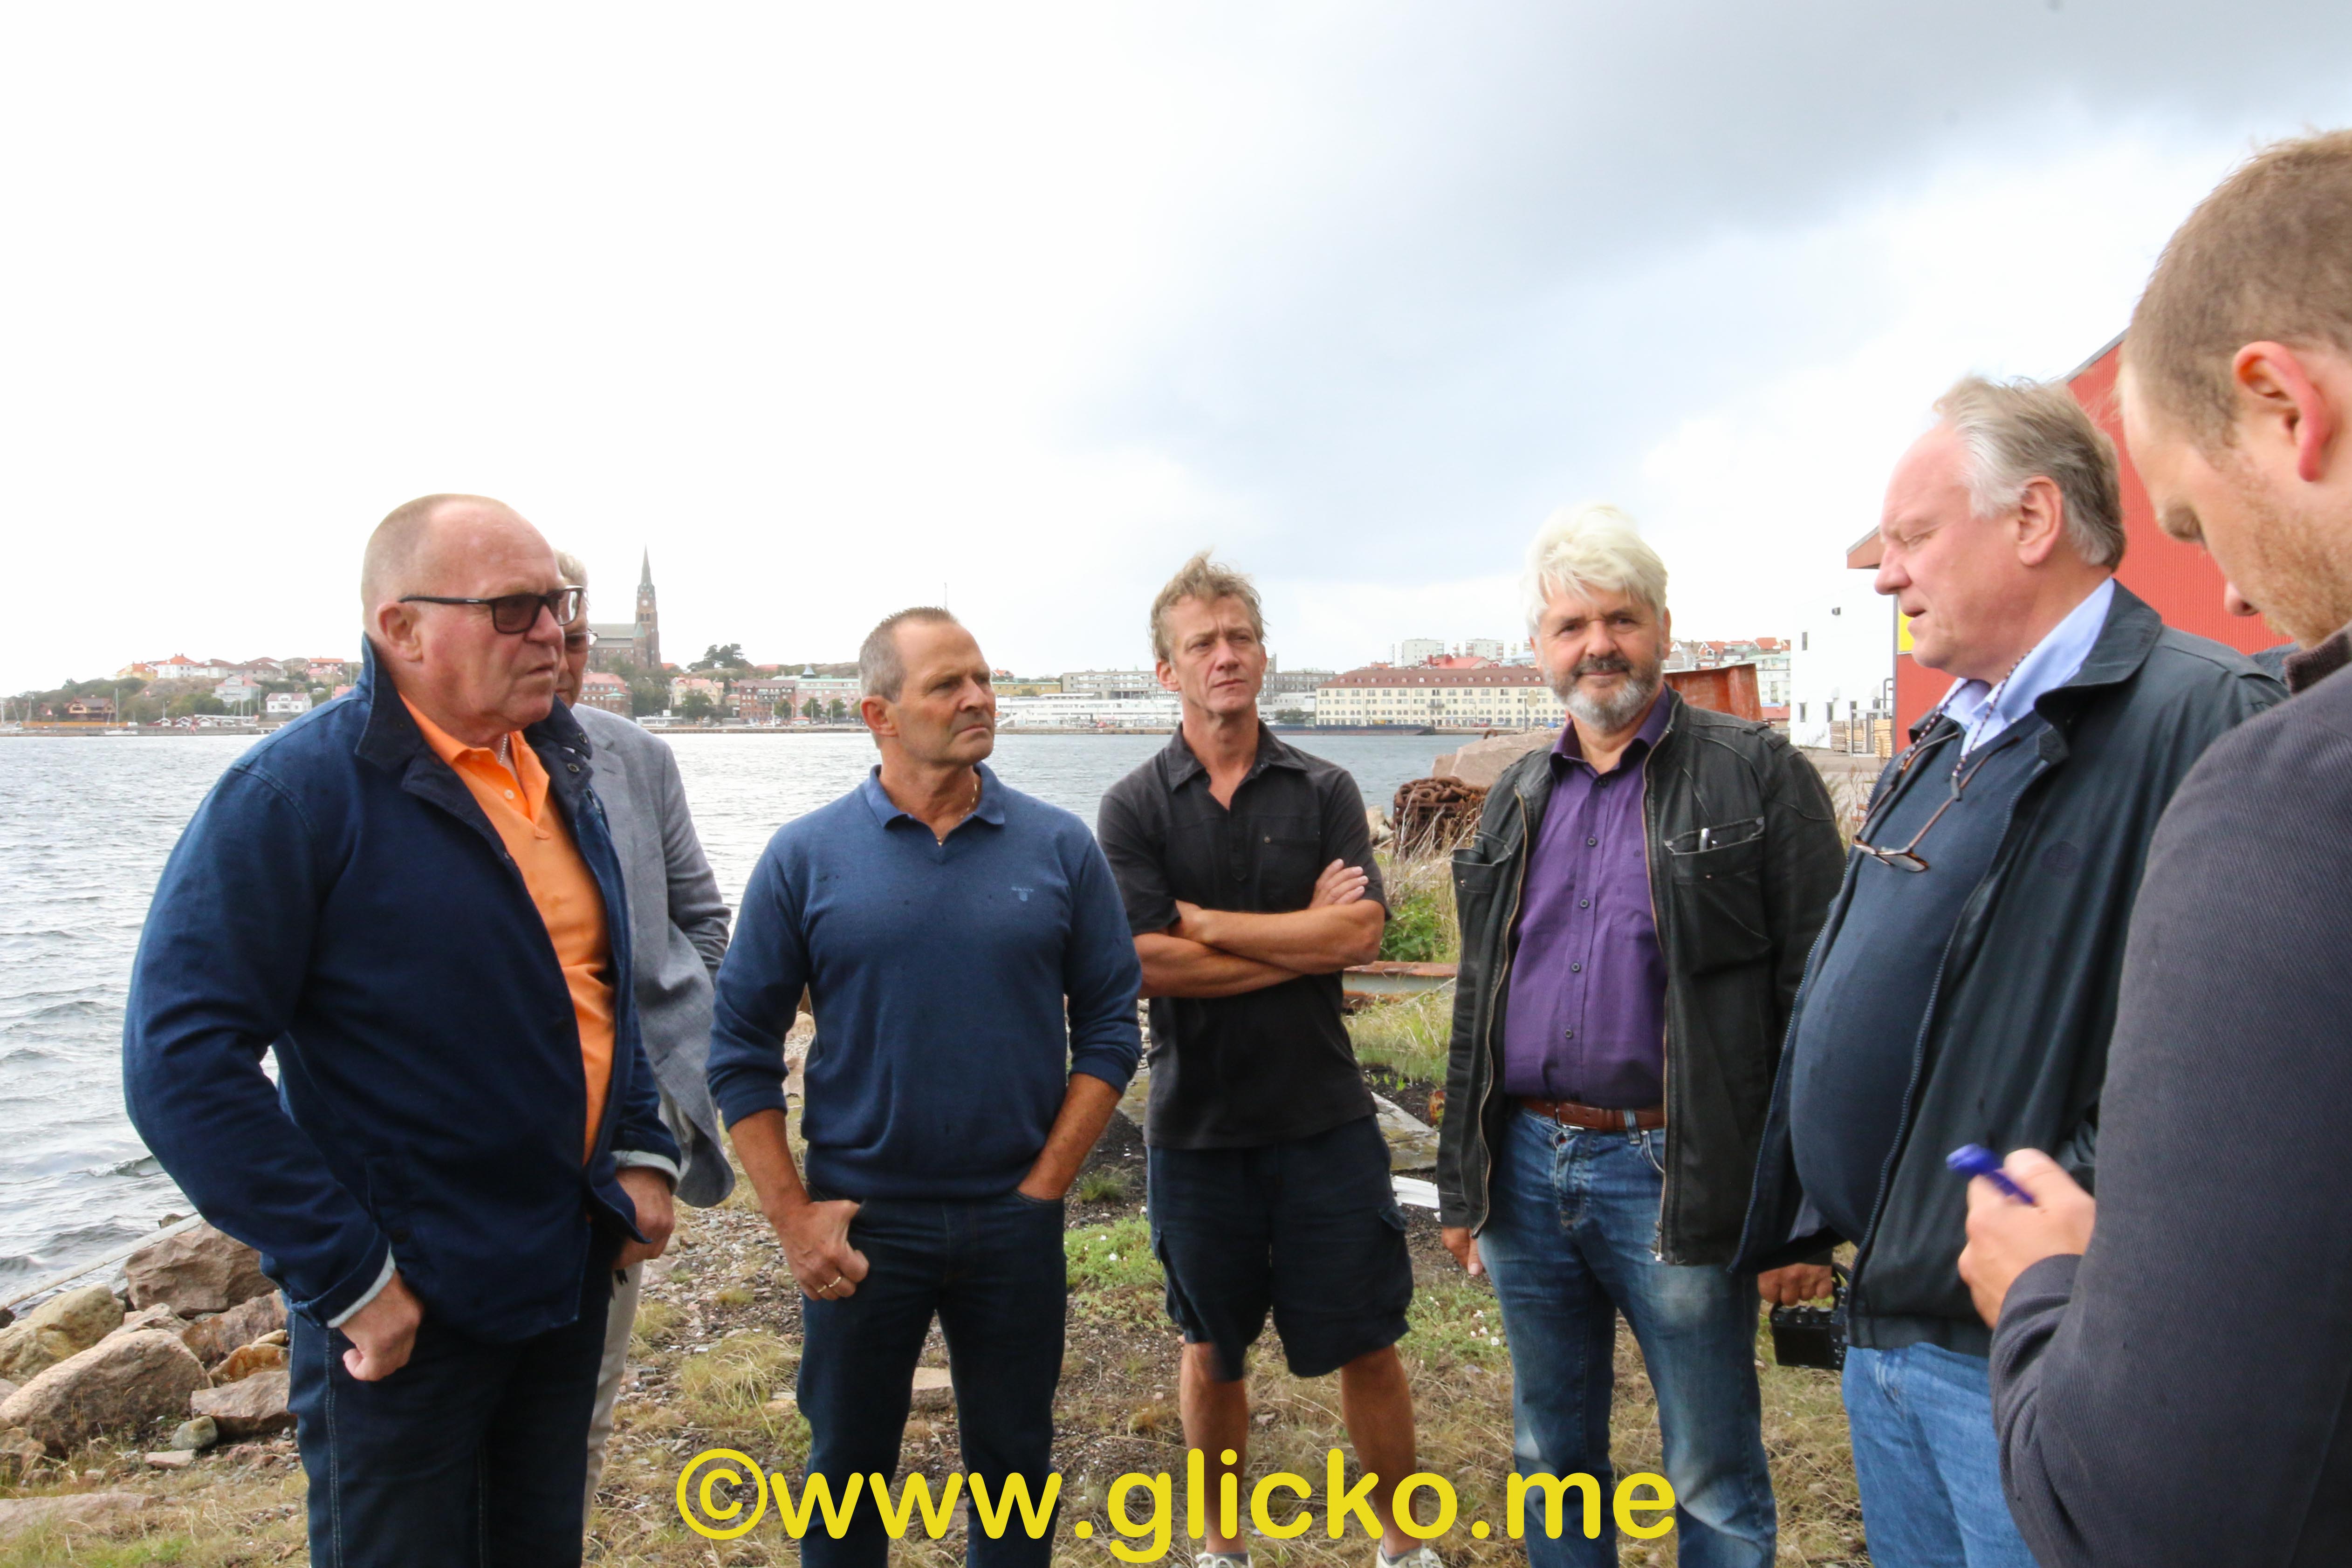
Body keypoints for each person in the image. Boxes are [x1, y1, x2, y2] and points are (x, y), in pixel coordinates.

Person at [1737, 381, 2281, 1568]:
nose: (1885, 577)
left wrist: (2043, 1229)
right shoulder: (1951, 732)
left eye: (1912, 538)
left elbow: (2234, 1061)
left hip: (2029, 1341)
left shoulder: (2204, 716)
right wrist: (1803, 1208)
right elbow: (1852, 980)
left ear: (2032, 520)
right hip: (1889, 1320)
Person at [122, 495, 680, 1568]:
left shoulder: (554, 769)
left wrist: (640, 1151)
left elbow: (598, 984)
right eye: (514, 608)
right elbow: (179, 1065)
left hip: (564, 1271)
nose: (554, 632)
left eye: (558, 604)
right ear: (402, 628)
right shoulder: (292, 796)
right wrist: (351, 1280)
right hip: (408, 1308)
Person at [1959, 129, 2352, 1566]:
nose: (2232, 590)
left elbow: (2146, 1508)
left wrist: (2049, 1283)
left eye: (2195, 518)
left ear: (2284, 405)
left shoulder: (2292, 801)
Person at [1434, 505, 1844, 1568]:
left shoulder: (1757, 774)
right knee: (1548, 1452)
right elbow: (1479, 998)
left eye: (1620, 619)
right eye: (1571, 625)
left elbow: (1819, 998)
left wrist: (1802, 1220)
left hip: (1676, 1167)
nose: (1597, 645)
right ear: (1539, 647)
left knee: (1709, 1467)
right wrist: (1464, 1184)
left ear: (1663, 627)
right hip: (1527, 1167)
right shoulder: (1518, 795)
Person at [706, 607, 1141, 1568]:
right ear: (880, 714)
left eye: (983, 677)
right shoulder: (805, 856)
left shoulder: (1059, 847)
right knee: (846, 1479)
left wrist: (1045, 1188)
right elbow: (738, 1047)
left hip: (1013, 1219)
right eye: (948, 684)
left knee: (1017, 1475)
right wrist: (793, 1218)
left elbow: (1113, 1029)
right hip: (862, 1225)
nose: (979, 698)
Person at [1096, 553, 1434, 1568]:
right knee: (1211, 1348)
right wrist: (1296, 942)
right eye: (1201, 643)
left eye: (1240, 636)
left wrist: (1206, 924)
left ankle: (1403, 1546)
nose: (1226, 656)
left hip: (1325, 1119)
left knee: (1368, 1341)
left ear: (1264, 655)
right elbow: (1141, 964)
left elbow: (1359, 935)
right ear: (1167, 671)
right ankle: (1221, 1548)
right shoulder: (1133, 807)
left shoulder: (1324, 788)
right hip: (1197, 1128)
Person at [551, 553, 736, 1516]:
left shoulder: (637, 758)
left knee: (581, 1408)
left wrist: (658, 1079)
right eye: (542, 633)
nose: (561, 659)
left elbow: (702, 921)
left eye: (579, 640)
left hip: (616, 1143)